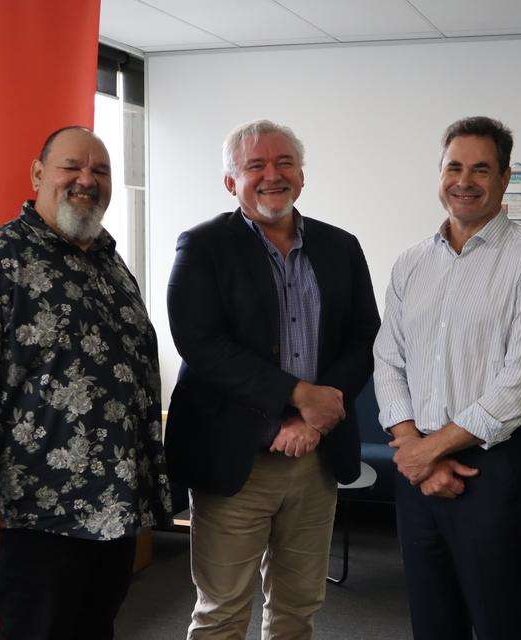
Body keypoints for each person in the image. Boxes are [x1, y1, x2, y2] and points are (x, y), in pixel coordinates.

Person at [0, 126, 171, 640]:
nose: (87, 180)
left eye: (100, 171)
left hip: (111, 508)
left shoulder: (109, 262)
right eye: (71, 167)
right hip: (34, 512)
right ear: (39, 174)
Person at [165, 119, 380, 639]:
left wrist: (317, 419)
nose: (272, 175)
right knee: (221, 611)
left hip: (316, 459)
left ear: (301, 175)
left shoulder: (341, 247)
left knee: (298, 607)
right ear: (230, 182)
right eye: (255, 165)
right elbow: (203, 347)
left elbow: (363, 336)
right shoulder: (203, 247)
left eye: (284, 162)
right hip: (236, 458)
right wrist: (293, 400)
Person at [373, 116, 521, 640]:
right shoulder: (411, 263)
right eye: (454, 167)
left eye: (481, 169)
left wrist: (428, 451)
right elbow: (388, 359)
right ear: (439, 174)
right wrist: (414, 449)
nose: (465, 180)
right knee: (432, 622)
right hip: (416, 472)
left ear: (505, 178)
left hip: (491, 472)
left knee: (502, 621)